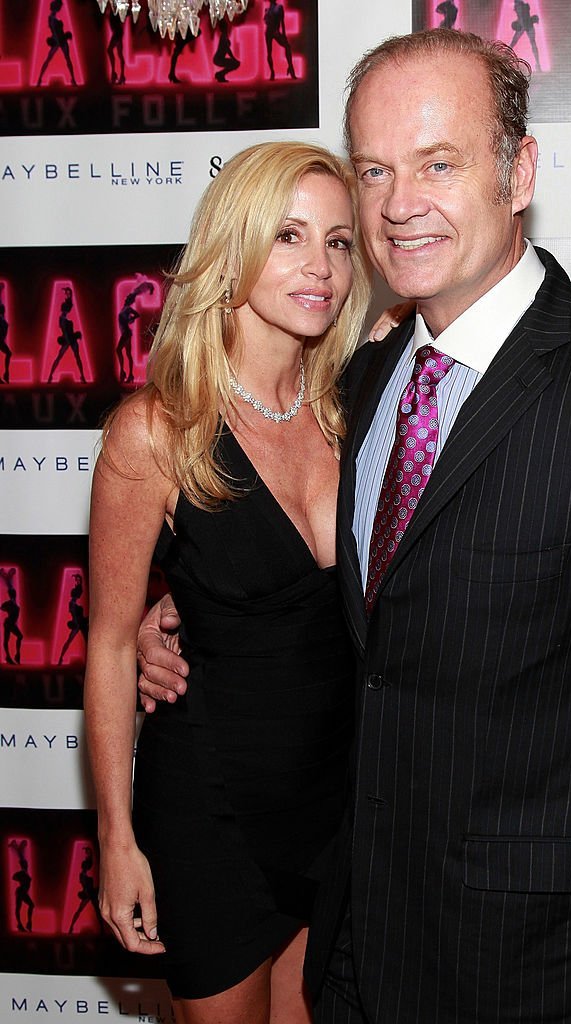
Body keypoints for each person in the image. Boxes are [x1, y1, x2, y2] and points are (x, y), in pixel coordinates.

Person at [138, 29, 571, 1024]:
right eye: (374, 169)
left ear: (519, 172)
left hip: (536, 976)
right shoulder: (364, 381)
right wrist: (178, 617)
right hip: (352, 942)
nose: (397, 204)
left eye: (438, 162)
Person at [84, 142, 371, 1024]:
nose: (319, 267)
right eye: (288, 237)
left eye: (339, 240)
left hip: (340, 803)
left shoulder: (362, 406)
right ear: (231, 247)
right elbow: (105, 643)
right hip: (212, 813)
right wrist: (117, 838)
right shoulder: (155, 431)